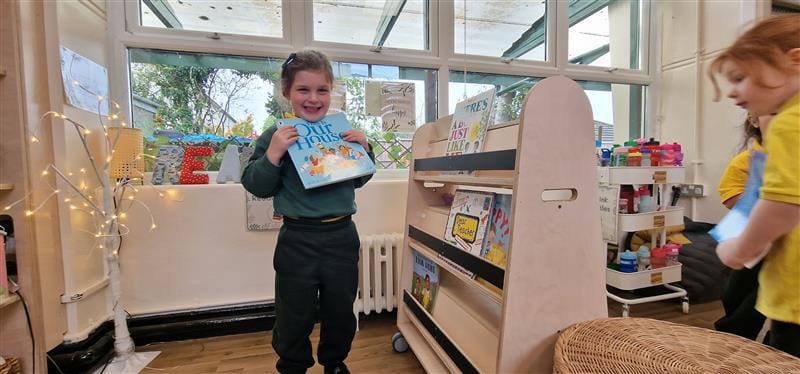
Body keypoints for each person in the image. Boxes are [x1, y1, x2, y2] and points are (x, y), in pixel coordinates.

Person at [241, 50, 374, 374]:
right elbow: (256, 185)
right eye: (303, 89)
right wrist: (273, 154)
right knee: (293, 311)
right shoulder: (276, 136)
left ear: (332, 92)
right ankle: (292, 365)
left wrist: (364, 150)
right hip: (297, 238)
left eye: (322, 90)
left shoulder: (342, 131)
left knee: (341, 309)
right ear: (287, 93)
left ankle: (335, 363)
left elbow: (358, 179)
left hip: (341, 235)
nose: (313, 98)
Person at [710, 14, 800, 357]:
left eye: (740, 77)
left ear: (795, 61)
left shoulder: (791, 123)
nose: (733, 92)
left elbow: (782, 207)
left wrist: (739, 250)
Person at [713, 114, 772, 341]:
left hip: (787, 248)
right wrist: (771, 204)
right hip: (749, 243)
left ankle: (775, 346)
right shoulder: (745, 161)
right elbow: (730, 197)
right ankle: (732, 341)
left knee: (774, 302)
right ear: (753, 120)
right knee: (738, 296)